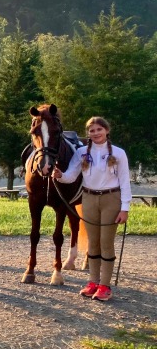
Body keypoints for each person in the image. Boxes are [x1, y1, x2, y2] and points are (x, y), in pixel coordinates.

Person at [52, 116, 131, 301]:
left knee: (106, 242)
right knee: (93, 243)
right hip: (88, 198)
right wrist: (60, 175)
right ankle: (93, 281)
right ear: (88, 134)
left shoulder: (119, 153)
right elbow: (71, 175)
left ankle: (105, 285)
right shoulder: (81, 152)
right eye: (92, 131)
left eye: (99, 130)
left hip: (112, 199)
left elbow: (125, 182)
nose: (95, 133)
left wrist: (124, 208)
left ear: (106, 131)